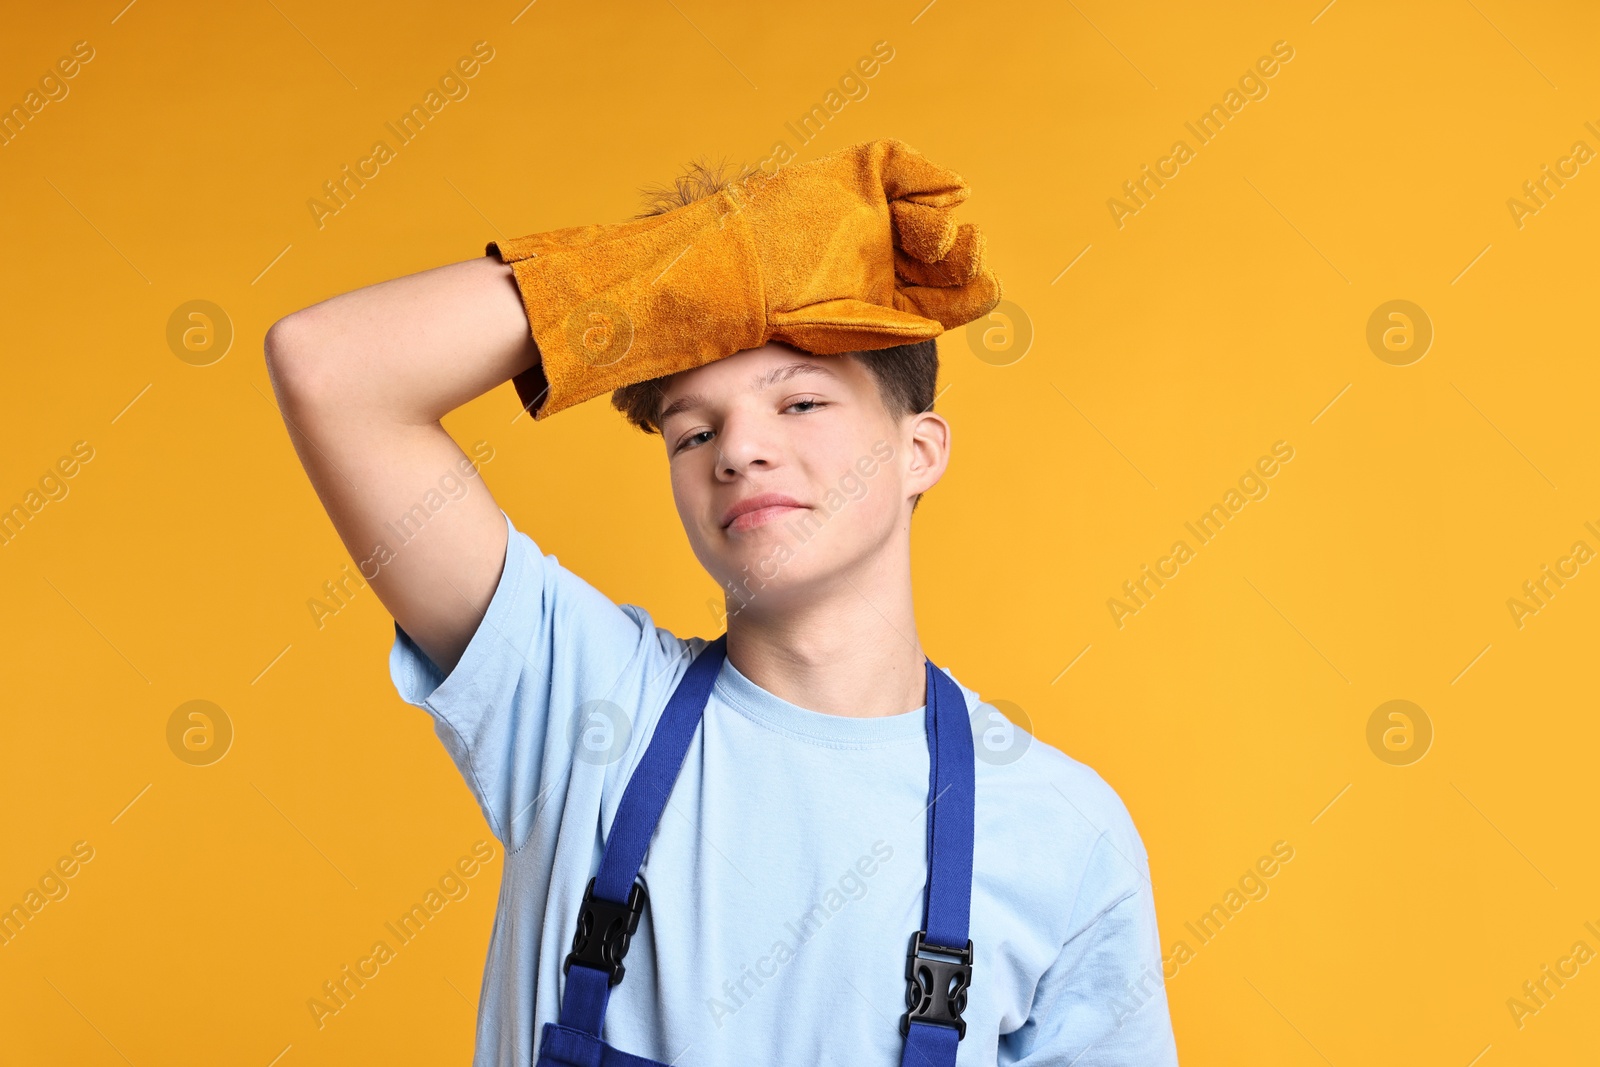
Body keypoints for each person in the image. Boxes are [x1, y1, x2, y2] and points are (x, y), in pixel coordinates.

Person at [263, 138, 1180, 1066]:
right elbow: (332, 371)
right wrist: (691, 263)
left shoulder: (1063, 833)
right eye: (693, 429)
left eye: (801, 404)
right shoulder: (578, 702)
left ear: (920, 450)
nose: (737, 450)